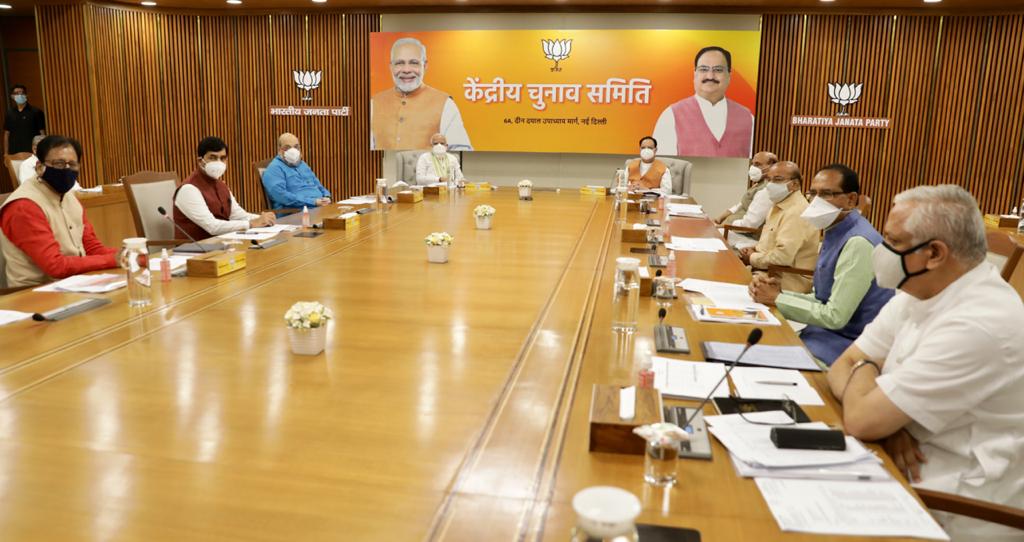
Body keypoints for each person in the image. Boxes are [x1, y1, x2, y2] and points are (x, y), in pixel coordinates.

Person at [826, 184, 1024, 542]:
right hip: (892, 468)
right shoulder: (918, 291)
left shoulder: (980, 321)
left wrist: (873, 392)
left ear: (933, 253)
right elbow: (843, 364)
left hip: (952, 509)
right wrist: (889, 422)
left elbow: (860, 417)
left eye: (892, 241)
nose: (880, 249)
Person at [749, 164, 893, 365]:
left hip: (848, 344)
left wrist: (778, 299)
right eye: (813, 193)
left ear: (851, 200)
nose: (816, 201)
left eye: (826, 194)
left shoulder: (858, 242)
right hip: (824, 333)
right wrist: (780, 294)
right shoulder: (835, 230)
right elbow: (822, 298)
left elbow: (835, 316)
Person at [0, 135, 118, 288]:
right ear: (39, 167)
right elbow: (55, 266)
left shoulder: (69, 198)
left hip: (73, 284)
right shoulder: (24, 206)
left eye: (72, 164)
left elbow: (92, 248)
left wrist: (131, 254)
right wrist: (114, 259)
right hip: (33, 295)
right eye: (59, 163)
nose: (67, 170)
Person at [371, 37, 472, 151]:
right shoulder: (374, 103)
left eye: (414, 63)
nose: (406, 70)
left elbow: (461, 151)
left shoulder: (445, 104)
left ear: (425, 66)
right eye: (399, 63)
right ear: (391, 67)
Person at [652, 46, 753, 158]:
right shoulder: (671, 115)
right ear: (695, 74)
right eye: (703, 69)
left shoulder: (748, 118)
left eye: (718, 70)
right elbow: (661, 167)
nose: (710, 76)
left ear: (729, 75)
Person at [738, 161, 818, 294]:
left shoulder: (797, 212)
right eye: (769, 179)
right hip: (767, 271)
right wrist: (755, 249)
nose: (770, 184)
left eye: (778, 179)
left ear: (795, 184)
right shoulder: (778, 205)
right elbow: (770, 243)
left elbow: (782, 257)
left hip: (786, 282)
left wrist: (752, 257)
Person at [173, 136, 275, 241]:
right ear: (200, 161)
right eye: (212, 158)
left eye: (222, 158)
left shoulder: (221, 185)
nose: (218, 162)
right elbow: (212, 226)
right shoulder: (189, 189)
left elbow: (238, 215)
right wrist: (251, 223)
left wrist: (263, 219)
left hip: (222, 244)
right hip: (194, 250)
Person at [718, 151, 778, 248]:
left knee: (710, 236)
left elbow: (749, 225)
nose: (753, 167)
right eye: (752, 164)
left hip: (746, 236)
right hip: (733, 229)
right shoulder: (758, 184)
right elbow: (741, 205)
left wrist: (726, 225)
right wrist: (719, 218)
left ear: (771, 166)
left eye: (757, 164)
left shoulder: (766, 191)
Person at [261, 132, 332, 210]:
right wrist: (313, 202)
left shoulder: (303, 164)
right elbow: (282, 196)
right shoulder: (274, 169)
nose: (293, 151)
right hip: (296, 213)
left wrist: (326, 196)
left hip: (320, 207)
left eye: (296, 147)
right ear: (279, 149)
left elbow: (318, 185)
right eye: (287, 148)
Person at [4, 84, 46, 155]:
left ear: (26, 95)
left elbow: (42, 133)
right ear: (12, 96)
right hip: (14, 153)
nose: (19, 95)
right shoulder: (9, 113)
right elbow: (6, 134)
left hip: (32, 152)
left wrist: (43, 151)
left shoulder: (36, 112)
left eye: (22, 93)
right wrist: (6, 153)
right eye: (16, 93)